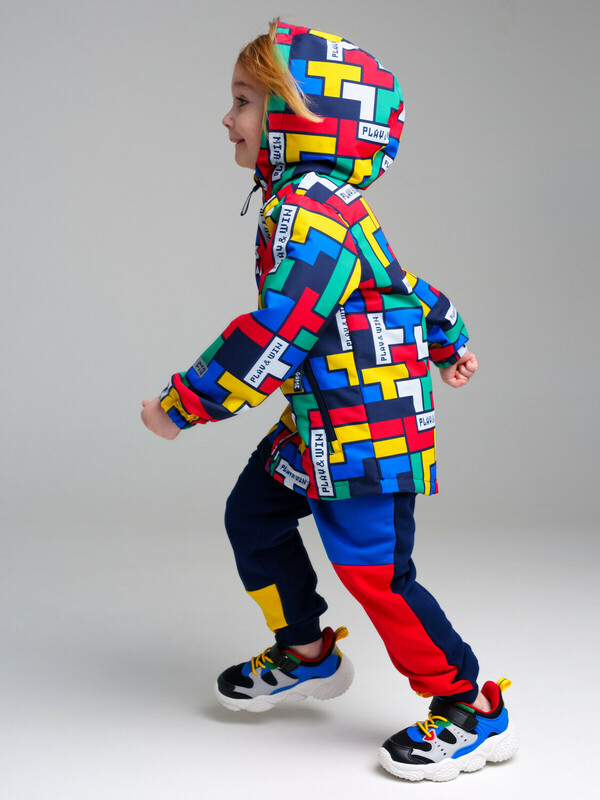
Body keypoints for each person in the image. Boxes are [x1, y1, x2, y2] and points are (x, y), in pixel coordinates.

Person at [141, 19, 518, 782]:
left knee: (377, 573)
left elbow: (279, 329)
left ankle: (470, 707)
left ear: (299, 119)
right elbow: (397, 281)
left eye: (243, 101)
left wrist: (183, 404)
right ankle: (307, 650)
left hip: (367, 429)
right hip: (318, 420)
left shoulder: (310, 210)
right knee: (253, 517)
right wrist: (447, 335)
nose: (227, 118)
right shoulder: (316, 200)